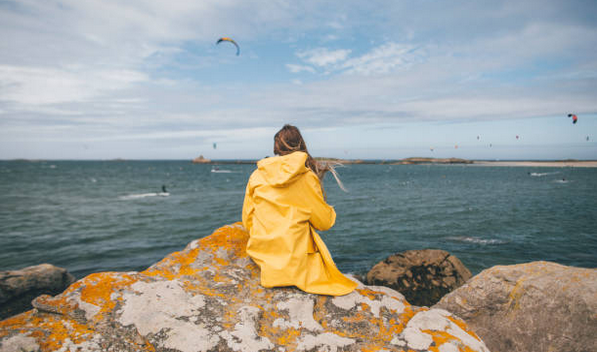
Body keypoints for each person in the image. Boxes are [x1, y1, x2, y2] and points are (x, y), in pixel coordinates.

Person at [242, 124, 357, 296]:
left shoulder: (257, 174)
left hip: (263, 256)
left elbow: (247, 220)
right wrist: (328, 211)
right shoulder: (306, 177)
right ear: (301, 144)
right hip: (295, 263)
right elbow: (324, 223)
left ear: (276, 148)